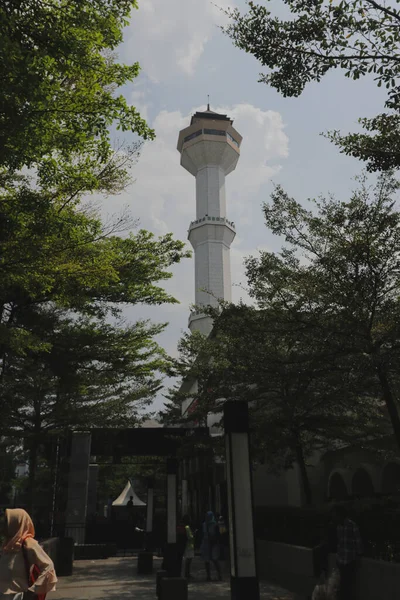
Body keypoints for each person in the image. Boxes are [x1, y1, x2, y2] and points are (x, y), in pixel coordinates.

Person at [0, 508, 57, 599]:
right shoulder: (7, 544)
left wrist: (33, 590)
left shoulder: (28, 543)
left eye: (7, 521)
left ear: (16, 523)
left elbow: (48, 566)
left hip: (16, 595)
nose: (3, 525)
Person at [333, 505, 363, 600]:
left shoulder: (352, 525)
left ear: (340, 515)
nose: (334, 517)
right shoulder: (338, 527)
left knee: (347, 586)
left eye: (335, 515)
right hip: (341, 560)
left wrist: (358, 556)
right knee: (342, 586)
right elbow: (340, 543)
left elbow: (358, 542)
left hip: (349, 561)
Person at [200, 511, 222, 582]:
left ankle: (217, 575)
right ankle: (210, 576)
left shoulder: (215, 525)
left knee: (213, 559)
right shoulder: (205, 524)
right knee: (209, 560)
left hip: (212, 544)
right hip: (207, 544)